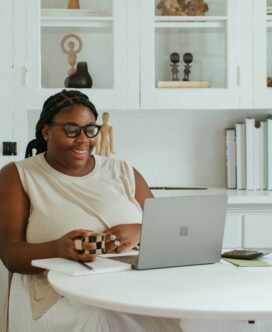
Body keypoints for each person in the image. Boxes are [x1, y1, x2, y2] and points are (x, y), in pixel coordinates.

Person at [0, 90, 181, 332]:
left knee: (177, 314)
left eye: (90, 129)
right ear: (46, 131)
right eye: (71, 130)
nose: (83, 139)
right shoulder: (18, 175)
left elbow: (168, 230)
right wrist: (58, 249)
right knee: (102, 319)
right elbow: (10, 254)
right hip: (57, 290)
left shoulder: (124, 171)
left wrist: (141, 231)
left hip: (130, 284)